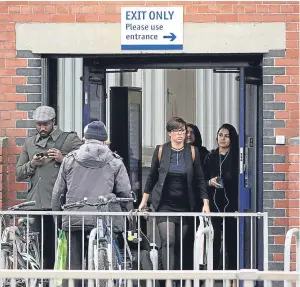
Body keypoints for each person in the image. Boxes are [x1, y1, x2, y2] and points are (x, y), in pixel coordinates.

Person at [52, 121, 133, 287]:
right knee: (108, 262)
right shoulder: (115, 161)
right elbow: (125, 193)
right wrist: (127, 215)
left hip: (75, 217)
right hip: (105, 217)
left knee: (73, 266)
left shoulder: (70, 159)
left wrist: (59, 219)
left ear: (84, 138)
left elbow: (58, 193)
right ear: (105, 140)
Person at [138, 117, 210, 273]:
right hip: (164, 204)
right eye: (177, 130)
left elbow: (199, 178)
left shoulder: (192, 151)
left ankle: (176, 278)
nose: (180, 134)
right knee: (168, 241)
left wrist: (206, 203)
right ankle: (167, 280)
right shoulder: (161, 150)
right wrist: (144, 201)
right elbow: (152, 177)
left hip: (185, 204)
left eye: (182, 130)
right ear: (170, 133)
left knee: (179, 244)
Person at [16, 105, 82, 270]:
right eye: (38, 124)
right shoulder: (30, 143)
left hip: (60, 203)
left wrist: (63, 158)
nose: (41, 128)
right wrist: (32, 164)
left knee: (58, 247)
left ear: (53, 121)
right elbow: (18, 174)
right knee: (38, 249)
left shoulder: (69, 139)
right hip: (36, 203)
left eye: (45, 124)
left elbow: (83, 165)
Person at [203, 123, 239, 276]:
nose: (223, 138)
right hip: (214, 203)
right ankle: (212, 277)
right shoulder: (210, 156)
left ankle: (233, 278)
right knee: (214, 240)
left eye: (227, 135)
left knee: (232, 242)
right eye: (220, 135)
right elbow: (201, 180)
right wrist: (209, 182)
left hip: (231, 204)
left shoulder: (237, 156)